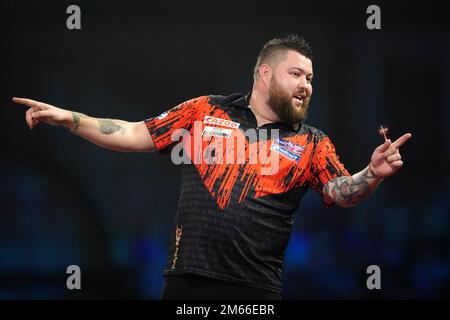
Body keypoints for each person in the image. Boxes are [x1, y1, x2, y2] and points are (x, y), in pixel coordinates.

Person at [13, 34, 411, 300]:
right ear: (264, 73)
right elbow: (135, 134)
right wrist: (71, 118)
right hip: (188, 283)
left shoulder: (311, 141)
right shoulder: (206, 109)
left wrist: (371, 174)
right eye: (296, 74)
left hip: (257, 291)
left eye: (310, 78)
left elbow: (339, 191)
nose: (306, 84)